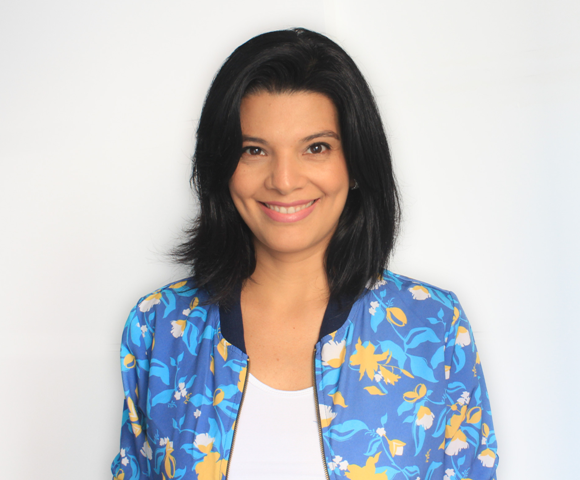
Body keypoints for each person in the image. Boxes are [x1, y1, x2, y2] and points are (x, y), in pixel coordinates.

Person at [111, 28, 498, 480]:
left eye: (316, 148)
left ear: (356, 163)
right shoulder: (159, 326)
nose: (284, 180)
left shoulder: (433, 327)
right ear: (222, 167)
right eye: (254, 150)